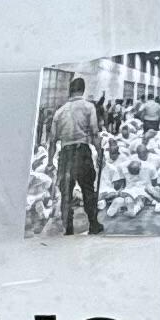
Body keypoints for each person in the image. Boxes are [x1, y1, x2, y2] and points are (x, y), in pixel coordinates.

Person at [47, 71, 104, 236]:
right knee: (87, 190)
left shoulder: (60, 112)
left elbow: (52, 141)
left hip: (65, 154)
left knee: (66, 193)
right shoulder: (88, 107)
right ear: (83, 90)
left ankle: (68, 228)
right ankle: (93, 224)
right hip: (82, 153)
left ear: (70, 91)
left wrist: (50, 161)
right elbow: (94, 133)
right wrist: (99, 153)